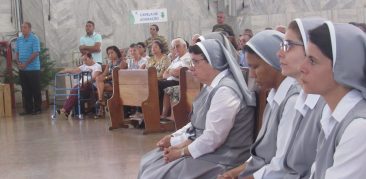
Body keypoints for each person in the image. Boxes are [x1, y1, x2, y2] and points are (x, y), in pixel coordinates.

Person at [138, 39, 255, 179]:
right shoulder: (210, 85)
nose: (191, 68)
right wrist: (174, 138)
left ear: (214, 61)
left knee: (156, 174)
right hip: (208, 151)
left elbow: (212, 139)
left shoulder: (226, 91)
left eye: (196, 62)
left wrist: (181, 151)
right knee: (149, 162)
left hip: (222, 158)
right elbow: (196, 123)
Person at [219, 30, 300, 179]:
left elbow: (282, 166)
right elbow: (261, 154)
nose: (251, 74)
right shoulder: (274, 96)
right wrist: (233, 173)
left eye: (255, 67)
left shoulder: (292, 102)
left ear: (274, 62)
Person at [300, 22, 366, 179]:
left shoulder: (359, 127)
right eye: (305, 57)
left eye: (312, 61)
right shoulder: (331, 113)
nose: (302, 67)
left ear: (343, 68)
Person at [276, 17, 327, 179]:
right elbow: (283, 162)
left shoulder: (327, 106)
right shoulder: (302, 97)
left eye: (288, 46)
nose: (280, 53)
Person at [56, 53, 102, 119]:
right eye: (83, 60)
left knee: (75, 89)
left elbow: (94, 78)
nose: (85, 62)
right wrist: (65, 71)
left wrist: (85, 82)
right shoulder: (84, 66)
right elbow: (75, 71)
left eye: (86, 59)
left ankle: (65, 110)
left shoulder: (97, 66)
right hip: (82, 86)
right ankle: (66, 111)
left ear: (91, 58)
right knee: (75, 91)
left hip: (92, 86)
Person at [15, 22, 42, 115]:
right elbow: (17, 52)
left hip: (33, 69)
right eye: (22, 28)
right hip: (22, 69)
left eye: (25, 27)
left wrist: (26, 63)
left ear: (30, 29)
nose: (23, 29)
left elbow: (36, 53)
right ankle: (28, 109)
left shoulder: (34, 38)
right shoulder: (19, 39)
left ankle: (38, 109)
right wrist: (18, 62)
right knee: (25, 90)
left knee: (35, 89)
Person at [94, 46, 123, 118]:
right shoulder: (109, 64)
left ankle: (101, 106)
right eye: (109, 53)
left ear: (117, 52)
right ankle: (101, 102)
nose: (110, 55)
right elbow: (104, 74)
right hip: (109, 83)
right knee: (99, 82)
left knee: (100, 88)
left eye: (112, 53)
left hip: (117, 83)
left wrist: (105, 78)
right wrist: (99, 78)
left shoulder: (121, 62)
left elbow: (116, 73)